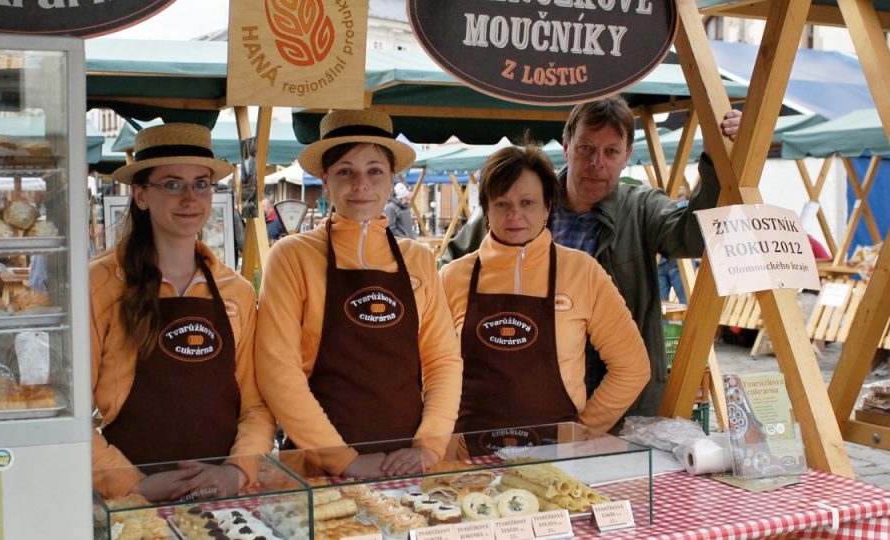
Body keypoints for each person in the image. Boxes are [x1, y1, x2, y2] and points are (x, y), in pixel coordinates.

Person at [442, 97, 740, 419]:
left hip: (619, 406)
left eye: (611, 151)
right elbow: (450, 271)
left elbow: (694, 236)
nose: (597, 163)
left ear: (626, 156)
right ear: (567, 146)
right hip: (522, 403)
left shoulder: (640, 208)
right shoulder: (525, 199)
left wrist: (714, 161)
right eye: (586, 148)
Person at [254, 109, 462, 478]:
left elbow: (442, 362)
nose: (361, 184)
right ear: (325, 178)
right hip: (318, 465)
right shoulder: (292, 256)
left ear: (391, 178)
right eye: (346, 171)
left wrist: (429, 445)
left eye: (374, 171)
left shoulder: (418, 259)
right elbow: (278, 372)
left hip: (409, 463)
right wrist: (343, 459)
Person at [90, 124, 275, 501]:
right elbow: (72, 414)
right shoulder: (100, 284)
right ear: (140, 195)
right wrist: (131, 485)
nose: (190, 198)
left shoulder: (236, 291)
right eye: (172, 184)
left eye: (201, 184)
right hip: (130, 505)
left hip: (221, 498)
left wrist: (238, 471)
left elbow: (256, 406)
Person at [440, 145, 649, 450]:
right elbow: (425, 369)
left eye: (527, 202)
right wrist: (441, 440)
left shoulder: (582, 272)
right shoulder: (452, 278)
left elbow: (632, 366)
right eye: (502, 204)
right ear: (485, 208)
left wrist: (583, 429)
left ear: (548, 206)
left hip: (557, 460)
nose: (515, 215)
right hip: (467, 459)